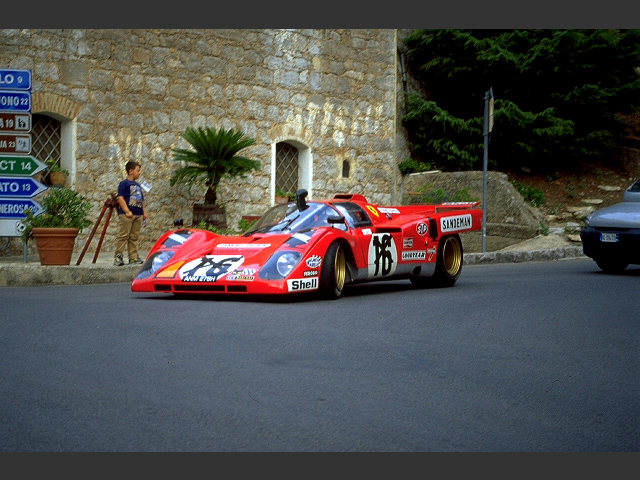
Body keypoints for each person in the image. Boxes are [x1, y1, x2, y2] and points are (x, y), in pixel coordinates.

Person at [114, 161, 148, 266]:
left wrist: (144, 212)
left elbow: (140, 199)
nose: (139, 173)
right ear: (131, 171)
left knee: (134, 236)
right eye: (138, 170)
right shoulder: (124, 184)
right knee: (123, 235)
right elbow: (120, 198)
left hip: (138, 214)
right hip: (127, 215)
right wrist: (127, 211)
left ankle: (133, 257)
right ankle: (118, 256)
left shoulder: (137, 185)